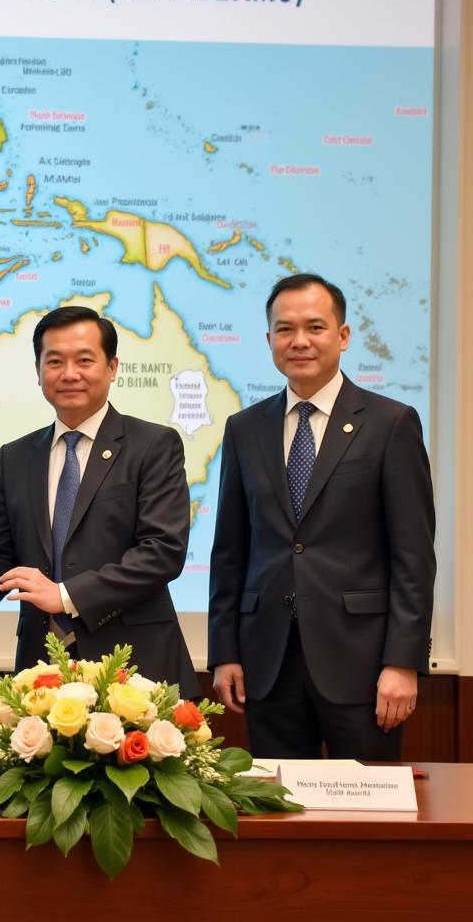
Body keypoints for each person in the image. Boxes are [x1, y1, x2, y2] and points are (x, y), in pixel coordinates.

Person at [208, 273, 435, 759]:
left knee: (372, 818)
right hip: (267, 663)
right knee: (281, 818)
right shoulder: (245, 429)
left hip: (365, 665)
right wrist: (224, 651)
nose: (300, 341)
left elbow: (413, 557)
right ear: (269, 340)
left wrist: (403, 662)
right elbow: (231, 551)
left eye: (315, 327)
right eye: (285, 330)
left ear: (343, 336)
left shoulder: (391, 423)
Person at [0, 305, 197, 695]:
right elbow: (0, 556)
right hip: (40, 675)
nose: (69, 374)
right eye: (55, 361)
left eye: (84, 360)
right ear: (38, 371)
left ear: (112, 367)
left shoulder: (153, 445)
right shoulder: (17, 456)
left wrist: (64, 595)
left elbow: (162, 551)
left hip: (137, 671)